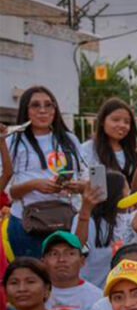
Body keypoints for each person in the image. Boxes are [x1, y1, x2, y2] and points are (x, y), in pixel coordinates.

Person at [5, 86, 88, 259]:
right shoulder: (12, 141)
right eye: (35, 105)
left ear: (55, 109)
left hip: (67, 220)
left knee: (64, 273)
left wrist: (77, 186)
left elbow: (86, 180)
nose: (43, 110)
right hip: (27, 223)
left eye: (48, 105)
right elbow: (8, 191)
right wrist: (34, 185)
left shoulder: (69, 139)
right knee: (33, 274)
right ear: (25, 110)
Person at [73, 169, 128, 288]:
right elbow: (77, 248)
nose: (129, 194)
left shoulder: (125, 219)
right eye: (126, 190)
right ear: (116, 194)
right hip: (91, 288)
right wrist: (85, 210)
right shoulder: (86, 219)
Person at [81, 97, 137, 191]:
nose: (122, 125)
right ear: (102, 121)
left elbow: (136, 190)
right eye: (115, 120)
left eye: (127, 122)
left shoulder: (133, 150)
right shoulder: (88, 149)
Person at [42, 231, 102, 310]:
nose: (61, 259)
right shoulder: (35, 296)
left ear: (82, 261)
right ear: (43, 262)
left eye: (70, 253)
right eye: (54, 254)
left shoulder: (98, 298)